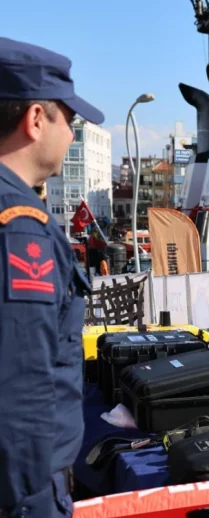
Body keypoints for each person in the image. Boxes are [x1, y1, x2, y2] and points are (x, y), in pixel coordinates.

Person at [0, 37, 104, 518]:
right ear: (36, 119)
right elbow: (19, 388)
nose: (72, 137)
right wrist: (32, 503)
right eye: (70, 121)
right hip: (24, 491)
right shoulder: (19, 226)